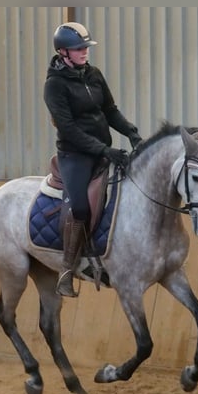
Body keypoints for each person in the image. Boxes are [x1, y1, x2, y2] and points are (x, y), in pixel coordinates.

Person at [43, 21, 143, 297]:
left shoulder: (94, 74)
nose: (84, 52)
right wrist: (103, 150)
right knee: (80, 207)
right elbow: (69, 129)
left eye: (86, 47)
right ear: (63, 52)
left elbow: (110, 110)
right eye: (78, 49)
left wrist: (132, 133)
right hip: (75, 155)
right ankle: (67, 269)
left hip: (101, 150)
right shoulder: (54, 85)